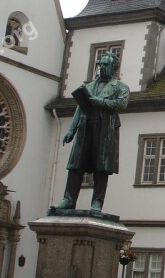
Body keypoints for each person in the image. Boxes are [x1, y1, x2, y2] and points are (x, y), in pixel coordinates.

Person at [55, 52, 129, 212]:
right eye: (100, 64)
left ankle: (97, 202)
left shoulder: (121, 87)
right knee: (75, 164)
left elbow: (122, 104)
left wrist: (100, 102)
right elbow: (79, 109)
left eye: (105, 65)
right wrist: (71, 130)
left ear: (114, 68)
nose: (102, 67)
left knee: (101, 166)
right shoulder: (88, 86)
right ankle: (68, 199)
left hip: (105, 128)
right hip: (85, 126)